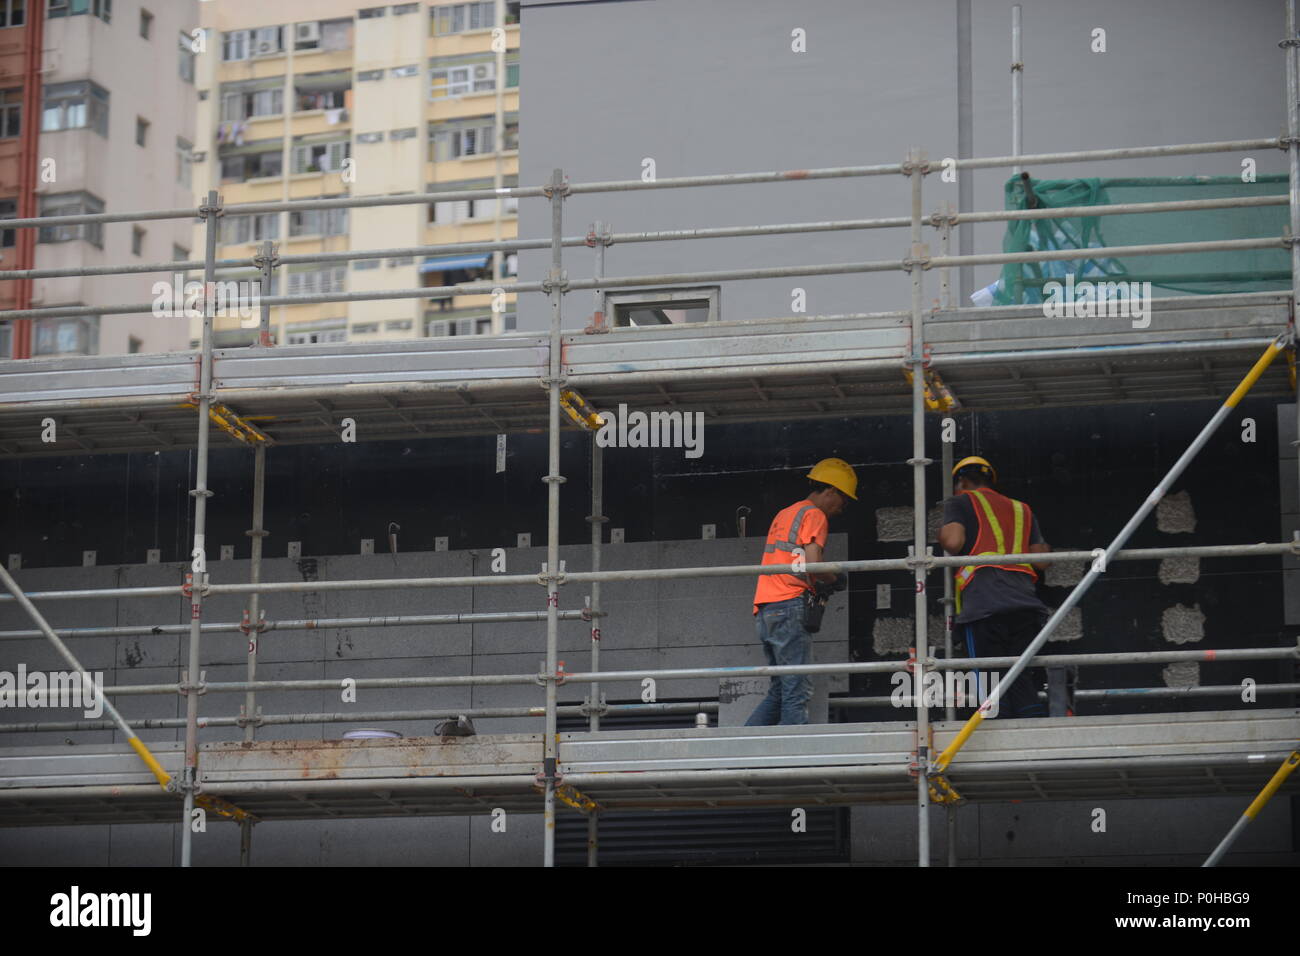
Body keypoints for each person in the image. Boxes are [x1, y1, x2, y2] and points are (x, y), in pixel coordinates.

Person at [938, 456, 1052, 719]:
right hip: (1026, 606)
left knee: (988, 682)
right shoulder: (1022, 509)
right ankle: (1032, 739)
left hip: (984, 606)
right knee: (1019, 678)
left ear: (962, 482)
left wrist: (940, 533)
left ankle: (999, 748)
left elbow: (953, 542)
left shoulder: (960, 501)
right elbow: (1043, 560)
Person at [745, 458, 855, 726]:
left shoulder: (785, 513)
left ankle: (741, 748)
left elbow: (794, 560)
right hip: (789, 607)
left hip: (765, 609)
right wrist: (836, 577)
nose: (842, 509)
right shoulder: (815, 515)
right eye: (843, 501)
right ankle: (792, 759)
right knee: (797, 690)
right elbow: (813, 564)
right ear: (831, 491)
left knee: (781, 689)